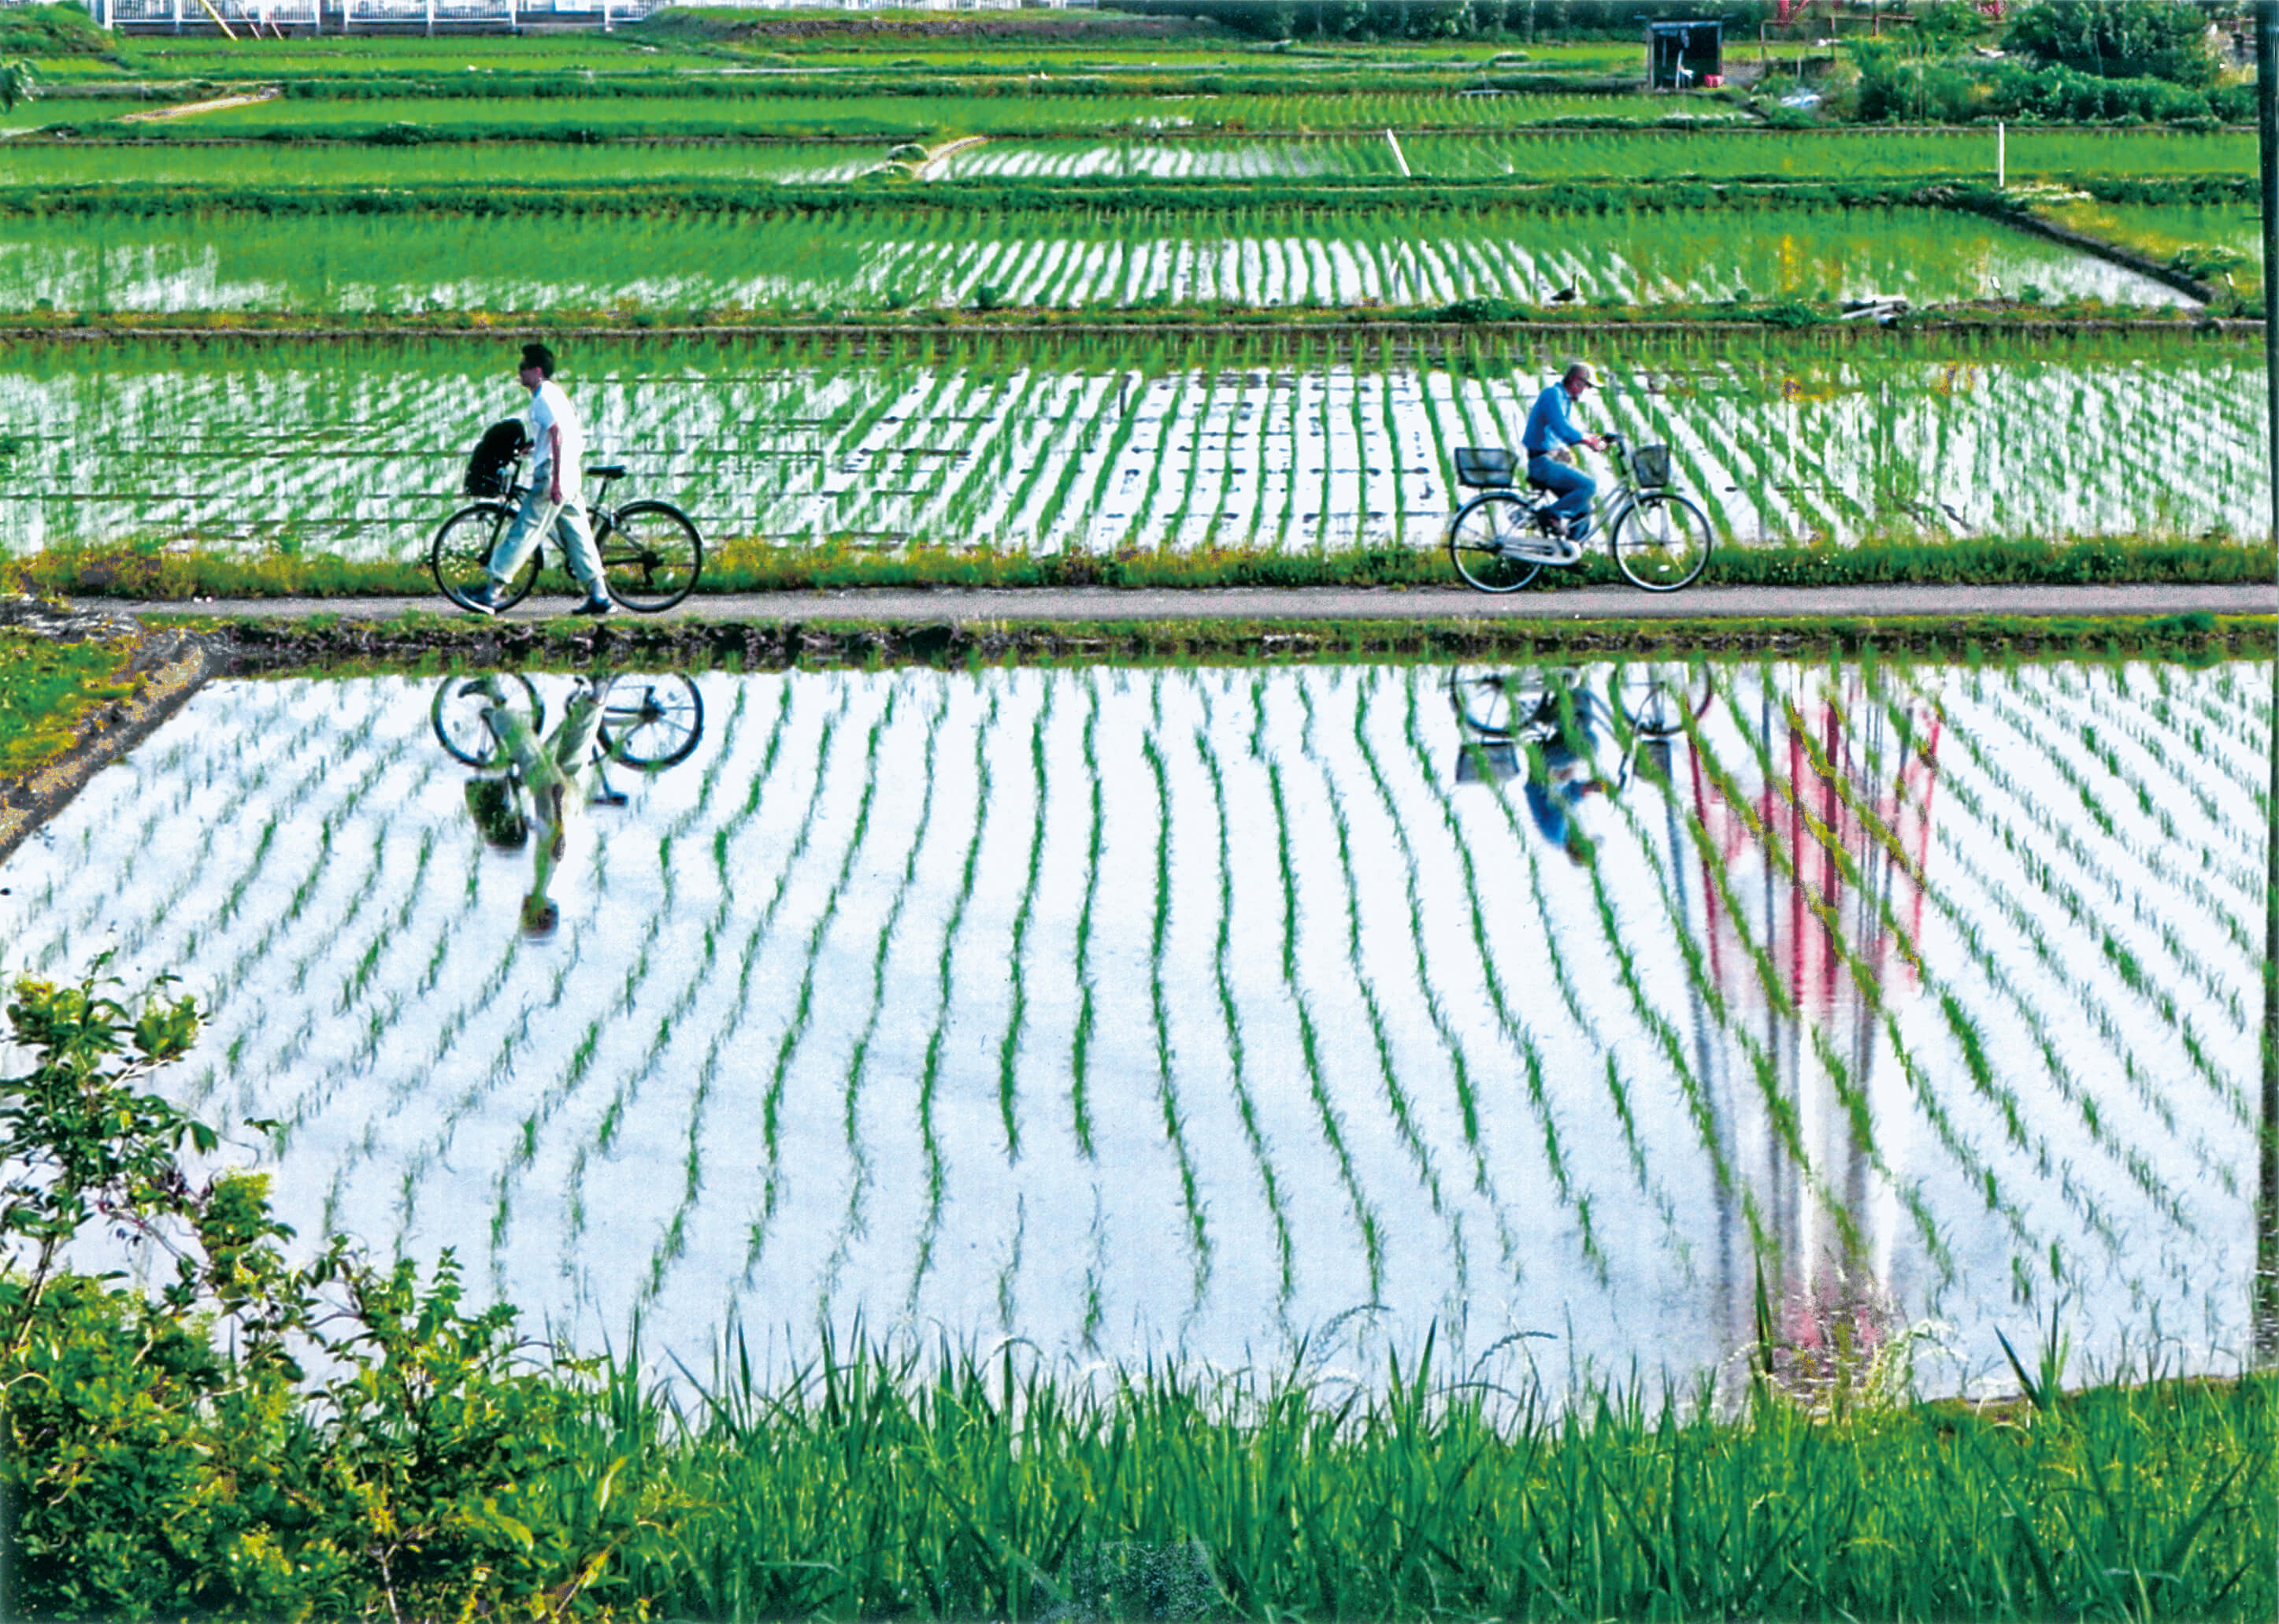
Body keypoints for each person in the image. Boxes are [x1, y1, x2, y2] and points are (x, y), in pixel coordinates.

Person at [464, 343, 611, 618]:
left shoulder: (543, 397)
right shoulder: (554, 393)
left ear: (537, 371)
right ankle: (600, 595)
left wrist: (554, 482)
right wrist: (534, 445)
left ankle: (490, 594)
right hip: (571, 473)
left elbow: (556, 434)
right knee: (578, 535)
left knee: (524, 531)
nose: (519, 372)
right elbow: (557, 433)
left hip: (553, 475)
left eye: (524, 367)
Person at [463, 675, 606, 937]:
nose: (522, 908)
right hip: (557, 804)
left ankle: (597, 695)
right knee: (527, 751)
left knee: (575, 748)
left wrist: (534, 824)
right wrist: (554, 805)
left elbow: (558, 843)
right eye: (527, 914)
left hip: (572, 807)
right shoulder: (546, 886)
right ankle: (496, 699)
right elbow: (558, 845)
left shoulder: (562, 886)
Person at [1521, 360, 1606, 540]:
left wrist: (1594, 439)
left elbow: (1565, 433)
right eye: (1586, 385)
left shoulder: (1563, 398)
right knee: (1589, 486)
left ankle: (1571, 553)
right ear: (1576, 382)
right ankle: (1550, 515)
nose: (1586, 390)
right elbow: (1561, 428)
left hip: (1550, 461)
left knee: (1584, 509)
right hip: (1542, 463)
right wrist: (1587, 439)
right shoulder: (1553, 394)